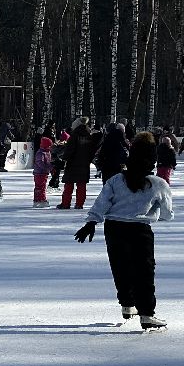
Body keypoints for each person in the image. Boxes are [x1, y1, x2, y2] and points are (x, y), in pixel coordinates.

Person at [74, 132, 173, 330]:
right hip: (140, 231)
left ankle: (127, 305)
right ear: (153, 158)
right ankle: (146, 314)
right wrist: (152, 215)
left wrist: (91, 222)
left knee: (120, 266)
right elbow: (167, 214)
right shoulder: (158, 184)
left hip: (114, 229)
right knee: (144, 271)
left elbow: (101, 203)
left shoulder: (116, 181)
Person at [59, 120, 96, 209]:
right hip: (84, 164)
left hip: (73, 163)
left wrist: (64, 159)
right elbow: (92, 150)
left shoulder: (74, 136)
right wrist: (88, 160)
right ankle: (79, 204)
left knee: (69, 184)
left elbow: (69, 150)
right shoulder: (89, 136)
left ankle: (66, 203)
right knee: (82, 185)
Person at [32, 133, 54, 207]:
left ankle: (41, 199)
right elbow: (39, 162)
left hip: (44, 173)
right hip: (39, 173)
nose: (50, 147)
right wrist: (47, 168)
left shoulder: (47, 152)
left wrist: (50, 168)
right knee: (40, 187)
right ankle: (39, 200)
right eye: (49, 146)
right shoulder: (41, 153)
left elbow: (48, 162)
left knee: (43, 187)